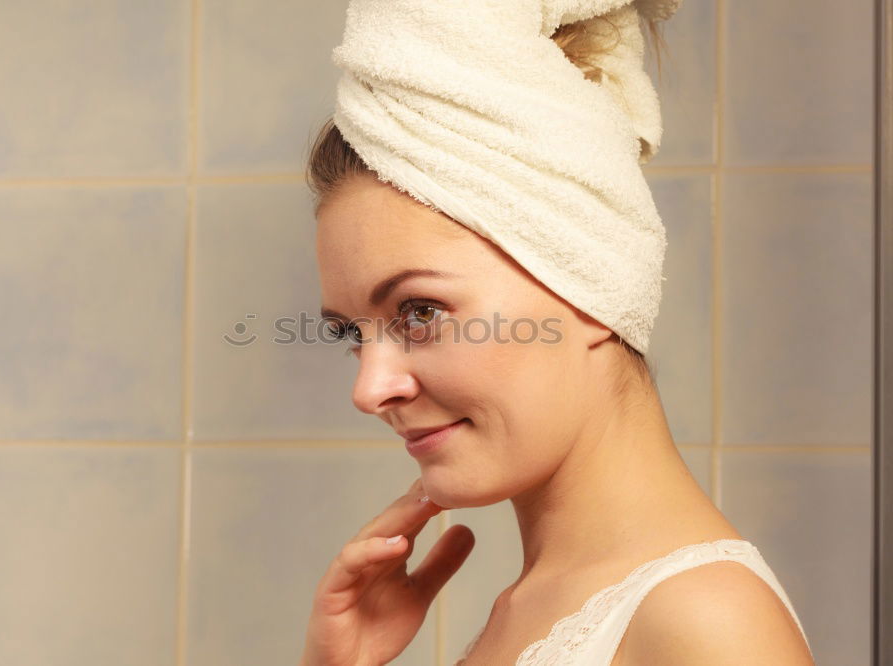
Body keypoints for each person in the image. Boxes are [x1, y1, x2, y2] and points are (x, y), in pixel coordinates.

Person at [298, 2, 816, 665]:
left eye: (419, 311)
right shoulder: (532, 606)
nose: (369, 389)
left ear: (590, 281)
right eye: (353, 334)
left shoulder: (707, 623)